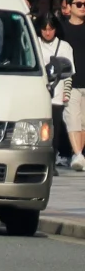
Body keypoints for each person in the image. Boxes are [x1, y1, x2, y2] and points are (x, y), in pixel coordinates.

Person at [41, 14, 78, 170]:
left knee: (55, 129)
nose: (47, 32)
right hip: (39, 93)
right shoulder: (35, 43)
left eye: (50, 29)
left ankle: (51, 163)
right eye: (44, 29)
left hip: (57, 93)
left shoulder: (64, 46)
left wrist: (66, 93)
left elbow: (69, 73)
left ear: (56, 29)